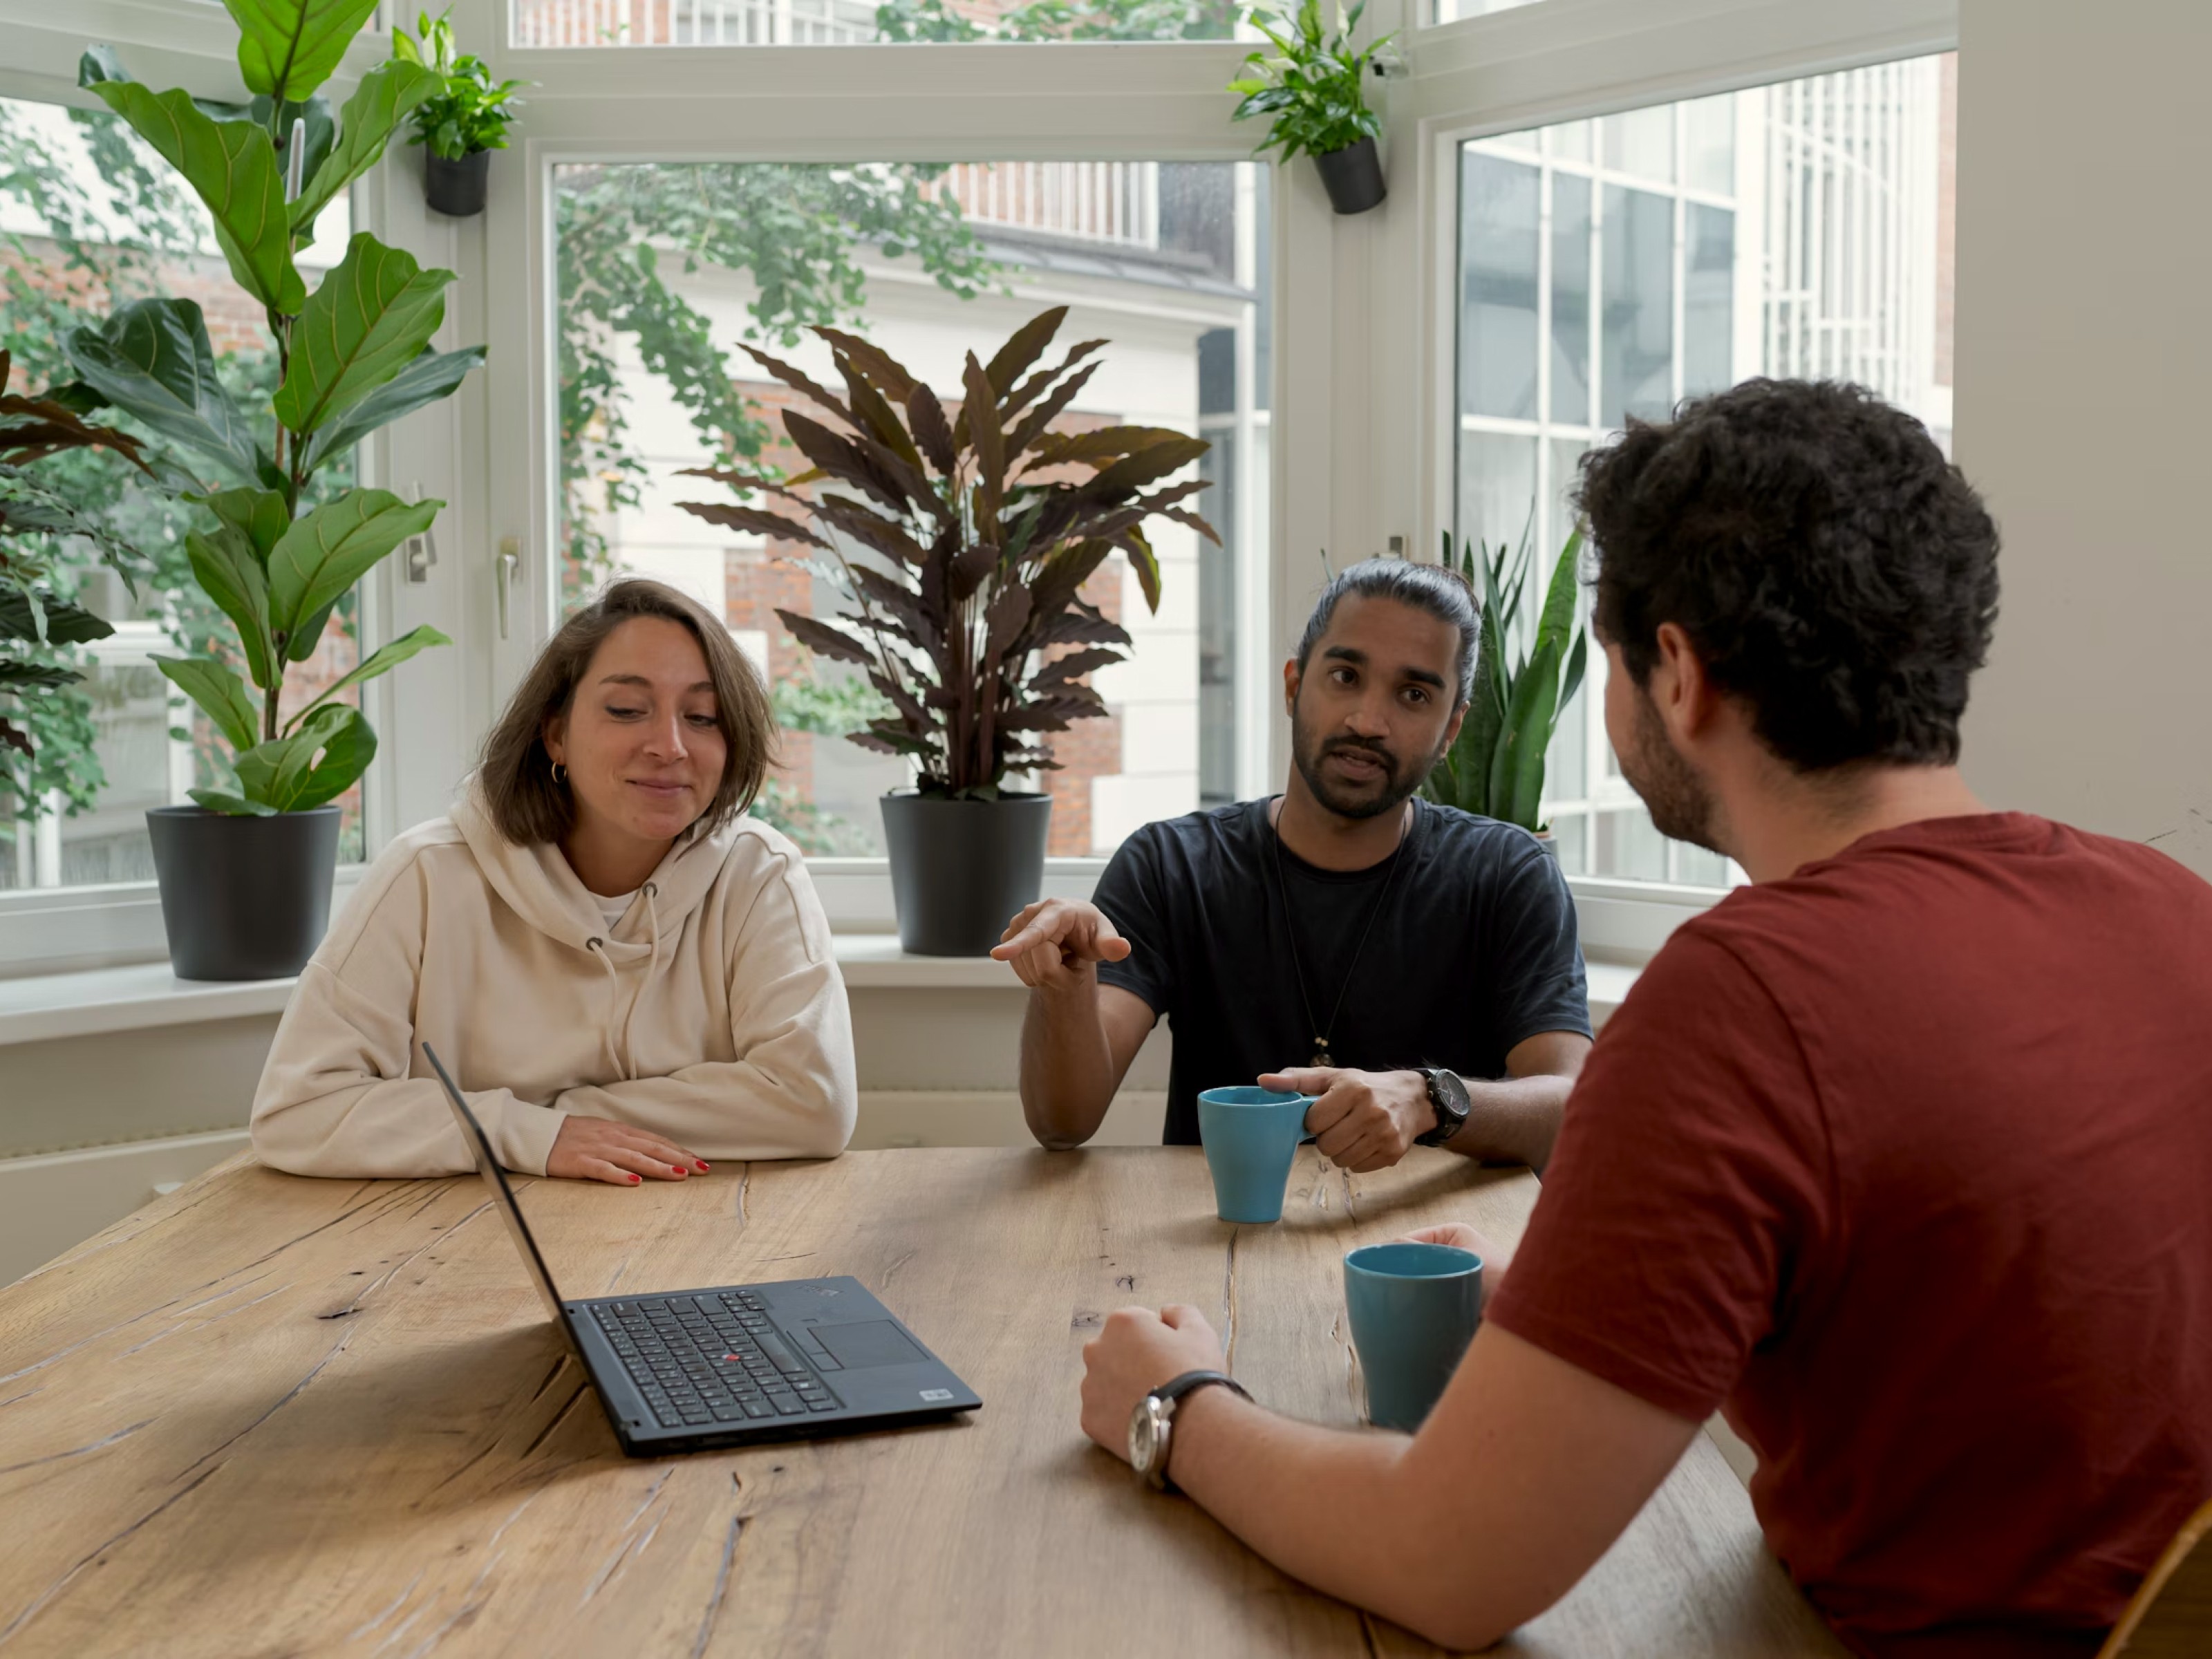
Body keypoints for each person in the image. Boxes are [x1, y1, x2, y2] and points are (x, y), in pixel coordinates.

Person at [1074, 380, 2212, 1656]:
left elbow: (1445, 1568)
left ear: (1674, 675)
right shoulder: (2180, 911)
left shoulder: (1744, 999)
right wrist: (1615, 1309)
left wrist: (1173, 1407)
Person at [992, 559, 1592, 1173]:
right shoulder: (1170, 866)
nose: (1367, 721)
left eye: (1414, 694)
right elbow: (1062, 1124)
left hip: (1431, 1256)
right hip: (1221, 1251)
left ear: (1451, 731)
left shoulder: (1507, 873)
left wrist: (1430, 1099)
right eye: (1344, 675)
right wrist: (1065, 993)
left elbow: (1572, 1108)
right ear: (1293, 685)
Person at [252, 578, 856, 1183]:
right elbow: (298, 1110)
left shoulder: (759, 873)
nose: (670, 746)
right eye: (626, 710)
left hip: (699, 1232)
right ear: (555, 733)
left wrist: (555, 1119)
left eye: (703, 717)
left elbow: (815, 1103)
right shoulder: (426, 877)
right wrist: (527, 1135)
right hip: (459, 1243)